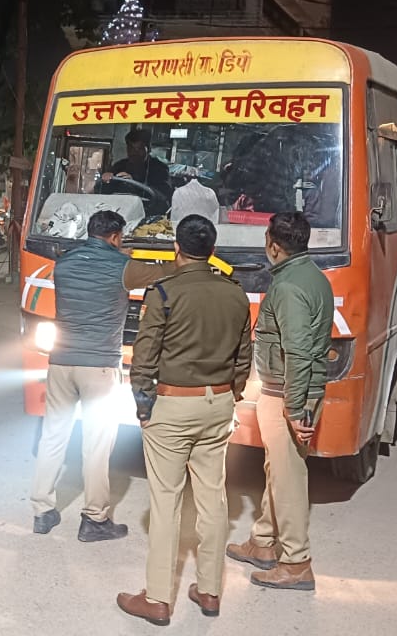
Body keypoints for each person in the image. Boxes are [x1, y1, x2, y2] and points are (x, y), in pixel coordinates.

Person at [117, 215, 253, 626]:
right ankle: (209, 590)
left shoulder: (164, 292)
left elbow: (144, 357)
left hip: (173, 406)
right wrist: (232, 394)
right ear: (212, 250)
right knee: (213, 498)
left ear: (177, 247)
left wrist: (143, 405)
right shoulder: (235, 293)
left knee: (166, 502)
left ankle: (158, 598)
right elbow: (243, 356)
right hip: (218, 403)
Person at [31, 210, 172, 540]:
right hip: (99, 366)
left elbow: (90, 271)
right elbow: (166, 272)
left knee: (53, 436)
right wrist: (125, 259)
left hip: (61, 363)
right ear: (116, 236)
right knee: (96, 443)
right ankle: (94, 518)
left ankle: (41, 511)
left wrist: (117, 256)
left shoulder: (63, 263)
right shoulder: (123, 266)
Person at [226, 211, 333, 592]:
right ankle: (263, 542)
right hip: (290, 390)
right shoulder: (311, 276)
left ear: (272, 245)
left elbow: (298, 351)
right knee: (278, 469)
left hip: (287, 393)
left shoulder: (288, 287)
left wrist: (294, 406)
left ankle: (296, 562)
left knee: (288, 479)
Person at [97, 129, 174, 213]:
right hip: (120, 211)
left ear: (148, 149)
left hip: (148, 212)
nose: (134, 152)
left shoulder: (160, 168)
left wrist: (134, 184)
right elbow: (101, 192)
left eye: (139, 149)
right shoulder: (119, 166)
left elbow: (163, 195)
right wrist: (105, 181)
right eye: (131, 148)